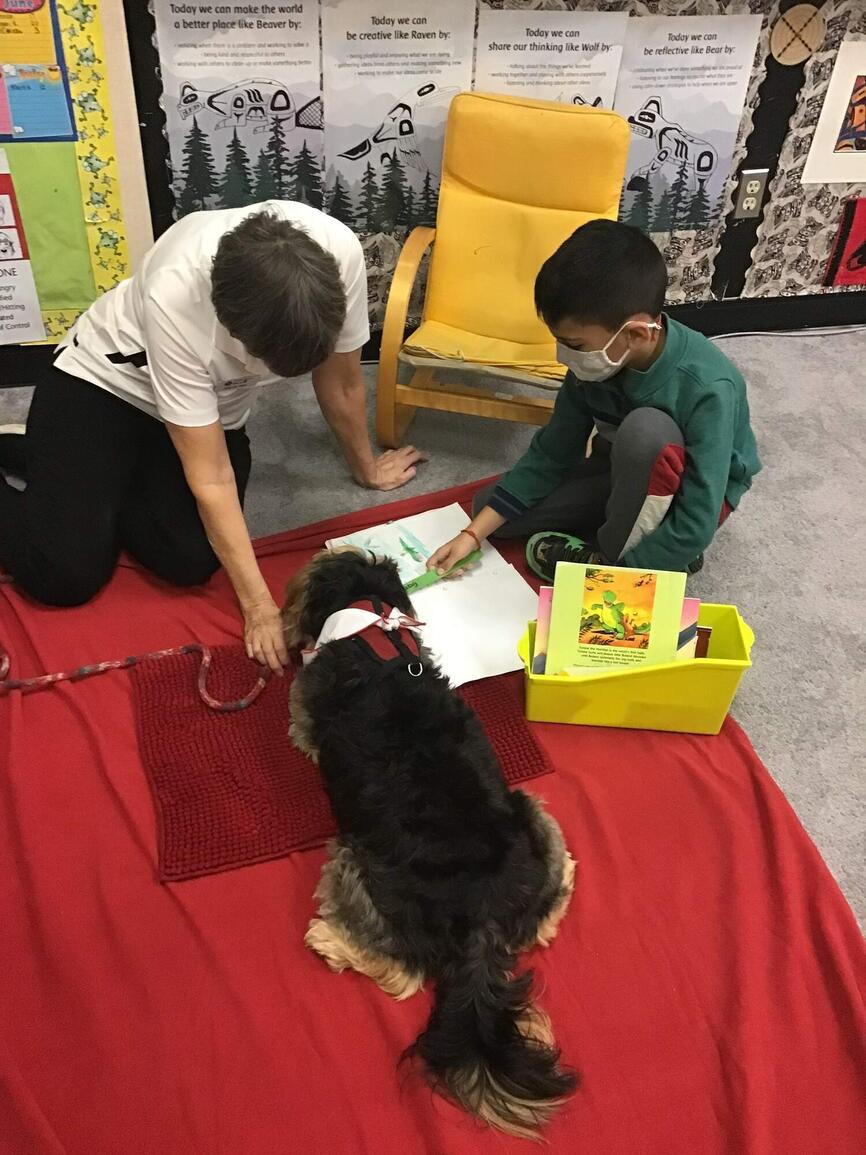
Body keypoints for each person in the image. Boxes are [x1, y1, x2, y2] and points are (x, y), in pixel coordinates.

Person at [0, 202, 422, 671]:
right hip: (107, 384)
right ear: (228, 321)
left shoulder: (338, 253)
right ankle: (52, 450)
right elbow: (212, 477)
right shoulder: (175, 293)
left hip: (209, 411)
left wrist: (367, 469)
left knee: (189, 561)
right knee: (64, 574)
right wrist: (259, 608)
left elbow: (341, 382)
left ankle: (71, 464)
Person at [428, 219, 760, 581]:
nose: (563, 356)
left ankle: (621, 557)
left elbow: (699, 515)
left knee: (645, 431)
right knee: (490, 508)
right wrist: (472, 534)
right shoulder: (598, 362)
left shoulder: (708, 386)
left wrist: (617, 578)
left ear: (635, 334)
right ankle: (642, 540)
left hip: (688, 493)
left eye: (574, 345)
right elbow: (552, 453)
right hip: (621, 467)